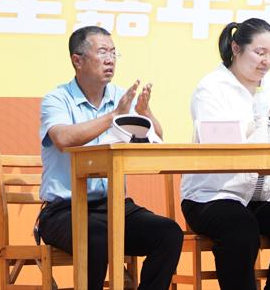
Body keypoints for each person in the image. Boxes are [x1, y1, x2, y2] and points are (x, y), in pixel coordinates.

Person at [37, 26, 183, 290]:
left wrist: (145, 112)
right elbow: (63, 138)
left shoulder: (121, 96)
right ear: (77, 60)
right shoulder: (57, 99)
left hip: (115, 206)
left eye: (114, 53)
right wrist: (114, 116)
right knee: (97, 238)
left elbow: (156, 137)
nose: (110, 59)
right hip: (64, 211)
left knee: (168, 233)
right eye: (103, 52)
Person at [180, 18, 270, 290]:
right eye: (259, 52)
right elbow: (220, 142)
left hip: (264, 195)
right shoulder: (211, 88)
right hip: (213, 195)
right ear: (236, 48)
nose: (267, 61)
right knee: (240, 230)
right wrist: (268, 121)